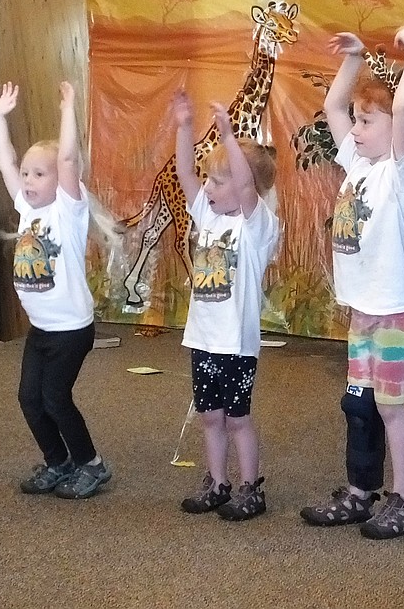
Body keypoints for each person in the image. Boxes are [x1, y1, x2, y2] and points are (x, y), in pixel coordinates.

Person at [300, 25, 404, 540]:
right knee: (359, 403)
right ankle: (361, 491)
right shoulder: (356, 163)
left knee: (391, 408)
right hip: (364, 310)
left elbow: (403, 110)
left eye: (366, 121)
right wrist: (354, 60)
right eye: (358, 120)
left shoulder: (401, 174)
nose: (355, 128)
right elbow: (333, 107)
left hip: (398, 309)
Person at [0, 80, 111, 499]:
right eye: (26, 173)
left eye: (38, 174)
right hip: (41, 329)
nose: (27, 180)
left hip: (72, 329)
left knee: (56, 399)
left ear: (59, 179)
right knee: (29, 399)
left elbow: (68, 156)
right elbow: (5, 162)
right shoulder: (25, 207)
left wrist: (68, 108)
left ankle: (91, 464)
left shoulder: (67, 210)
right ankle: (58, 461)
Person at [172, 89, 280, 522]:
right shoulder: (210, 216)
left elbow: (246, 183)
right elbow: (184, 176)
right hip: (203, 338)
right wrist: (183, 128)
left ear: (244, 186)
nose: (209, 187)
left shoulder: (257, 227)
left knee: (237, 420)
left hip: (236, 345)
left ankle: (250, 488)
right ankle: (217, 482)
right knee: (210, 417)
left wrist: (231, 138)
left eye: (219, 180)